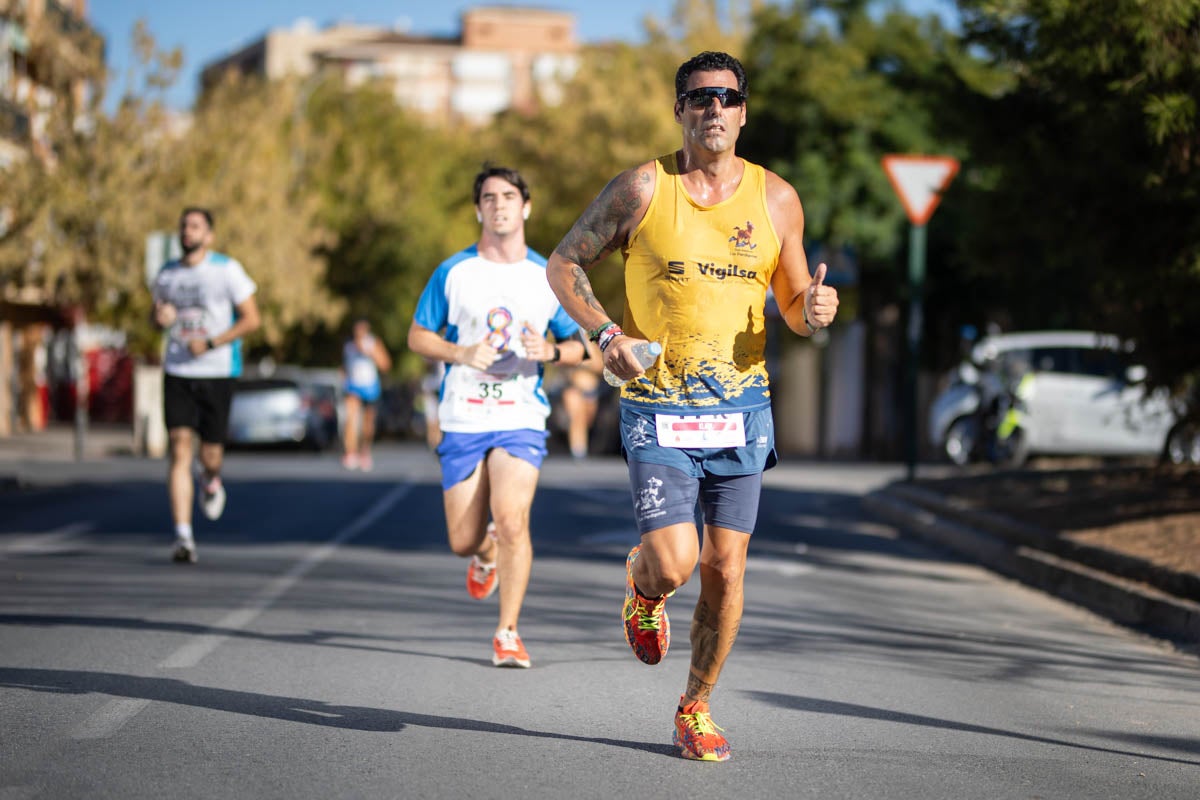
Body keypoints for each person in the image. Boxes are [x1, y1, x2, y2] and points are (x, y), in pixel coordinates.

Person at [545, 51, 839, 761]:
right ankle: (644, 590)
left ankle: (695, 707)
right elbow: (563, 262)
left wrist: (816, 309)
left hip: (742, 410)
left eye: (727, 97)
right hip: (658, 406)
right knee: (675, 564)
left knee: (727, 569)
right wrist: (606, 332)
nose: (714, 109)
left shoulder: (777, 200)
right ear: (679, 109)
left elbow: (796, 308)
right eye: (699, 97)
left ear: (744, 111)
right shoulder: (643, 188)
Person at [407, 164, 588, 668]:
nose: (500, 204)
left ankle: (507, 631)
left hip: (520, 416)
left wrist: (550, 352)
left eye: (509, 196)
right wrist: (459, 353)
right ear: (478, 209)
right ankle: (483, 554)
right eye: (489, 197)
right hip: (463, 415)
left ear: (526, 206)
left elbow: (585, 349)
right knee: (463, 539)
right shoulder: (454, 272)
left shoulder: (545, 277)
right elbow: (417, 337)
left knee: (512, 521)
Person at [151, 207, 261, 564]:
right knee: (179, 447)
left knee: (209, 455)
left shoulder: (226, 270)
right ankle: (183, 537)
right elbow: (158, 318)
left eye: (195, 226)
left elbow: (252, 319)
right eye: (184, 225)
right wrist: (159, 318)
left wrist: (212, 342)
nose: (188, 231)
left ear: (209, 235)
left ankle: (211, 479)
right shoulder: (167, 274)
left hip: (216, 370)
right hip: (178, 370)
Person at [340, 318, 392, 471]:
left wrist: (370, 353)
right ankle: (351, 453)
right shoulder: (348, 345)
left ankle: (364, 451)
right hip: (353, 387)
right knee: (351, 419)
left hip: (370, 387)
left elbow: (385, 365)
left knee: (367, 423)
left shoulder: (373, 343)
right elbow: (344, 365)